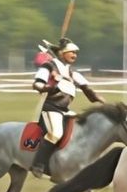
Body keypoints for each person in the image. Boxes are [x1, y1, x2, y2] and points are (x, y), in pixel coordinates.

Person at [30, 37, 106, 178]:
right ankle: (38, 165)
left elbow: (87, 89)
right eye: (71, 52)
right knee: (55, 133)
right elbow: (37, 84)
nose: (74, 55)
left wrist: (98, 99)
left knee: (81, 131)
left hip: (65, 110)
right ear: (61, 53)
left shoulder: (72, 73)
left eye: (75, 53)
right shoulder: (48, 66)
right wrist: (51, 87)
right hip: (51, 108)